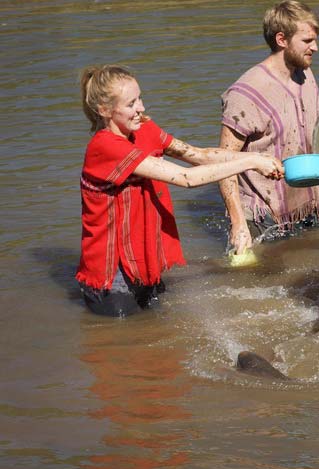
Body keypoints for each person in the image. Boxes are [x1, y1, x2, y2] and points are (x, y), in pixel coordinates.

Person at [76, 64, 285, 317]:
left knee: (152, 336)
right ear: (104, 110)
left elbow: (198, 156)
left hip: (144, 263)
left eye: (140, 98)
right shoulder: (105, 147)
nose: (141, 108)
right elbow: (187, 178)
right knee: (126, 340)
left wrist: (258, 157)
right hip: (112, 278)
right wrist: (251, 163)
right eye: (131, 104)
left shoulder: (144, 129)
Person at [218, 0, 319, 254]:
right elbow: (223, 164)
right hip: (261, 218)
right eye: (307, 41)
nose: (315, 47)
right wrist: (238, 224)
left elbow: (309, 140)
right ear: (282, 39)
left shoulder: (306, 76)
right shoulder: (245, 93)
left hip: (305, 206)